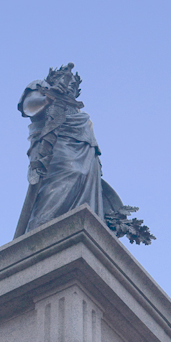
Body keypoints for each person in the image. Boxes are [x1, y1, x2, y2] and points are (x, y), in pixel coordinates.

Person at [14, 63, 105, 237]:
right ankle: (39, 232)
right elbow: (28, 106)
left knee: (83, 188)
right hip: (56, 150)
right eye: (66, 80)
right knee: (58, 186)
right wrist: (48, 98)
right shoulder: (43, 87)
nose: (69, 85)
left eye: (74, 85)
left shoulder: (78, 111)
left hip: (86, 157)